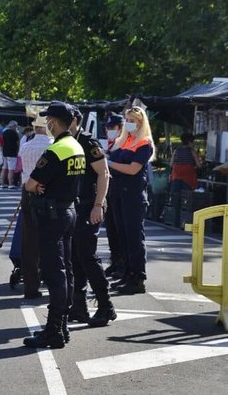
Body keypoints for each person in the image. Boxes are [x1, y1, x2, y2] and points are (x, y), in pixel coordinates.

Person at [22, 101, 85, 349]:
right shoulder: (76, 146)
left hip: (52, 216)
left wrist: (35, 185)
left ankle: (53, 330)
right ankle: (62, 325)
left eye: (49, 119)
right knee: (66, 270)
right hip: (69, 211)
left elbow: (30, 184)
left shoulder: (56, 150)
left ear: (55, 122)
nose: (47, 123)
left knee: (53, 273)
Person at [67, 107, 116, 327]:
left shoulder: (87, 141)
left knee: (87, 256)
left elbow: (104, 173)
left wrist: (98, 204)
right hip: (74, 206)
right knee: (75, 257)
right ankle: (79, 306)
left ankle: (106, 306)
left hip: (89, 206)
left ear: (75, 120)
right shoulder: (66, 141)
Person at [107, 105, 155, 295]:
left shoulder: (144, 143)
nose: (128, 123)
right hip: (118, 192)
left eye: (132, 120)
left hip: (133, 195)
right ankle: (126, 273)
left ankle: (137, 277)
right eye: (127, 120)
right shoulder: (123, 140)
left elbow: (133, 169)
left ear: (141, 123)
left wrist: (109, 163)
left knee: (134, 237)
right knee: (122, 235)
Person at [17, 115, 52, 299]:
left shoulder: (26, 146)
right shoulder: (53, 145)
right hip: (47, 192)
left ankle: (30, 284)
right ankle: (49, 277)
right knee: (51, 238)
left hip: (27, 191)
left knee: (29, 240)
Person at [103, 113, 125, 280]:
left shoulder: (124, 144)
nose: (109, 130)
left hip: (120, 190)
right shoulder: (109, 144)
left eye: (113, 128)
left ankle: (123, 264)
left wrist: (107, 160)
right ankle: (115, 260)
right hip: (109, 192)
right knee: (111, 228)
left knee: (120, 230)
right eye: (108, 127)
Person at [0, 121, 20, 188]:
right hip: (12, 153)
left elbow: (1, 143)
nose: (16, 127)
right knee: (11, 170)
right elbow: (17, 143)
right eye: (16, 126)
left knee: (4, 168)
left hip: (5, 152)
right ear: (13, 126)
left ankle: (2, 184)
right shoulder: (15, 133)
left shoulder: (4, 133)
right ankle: (10, 184)